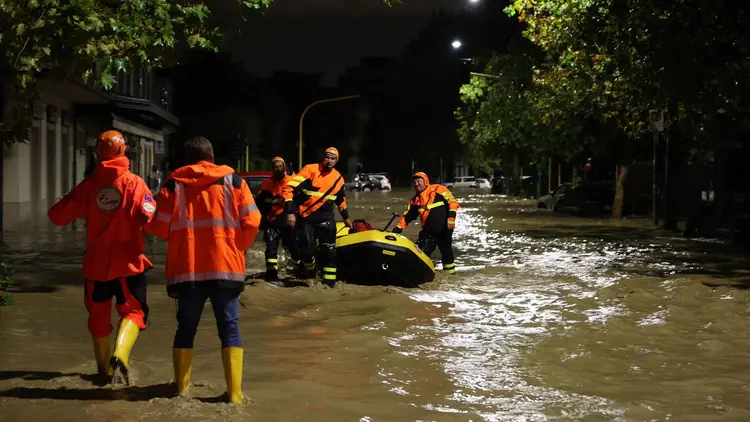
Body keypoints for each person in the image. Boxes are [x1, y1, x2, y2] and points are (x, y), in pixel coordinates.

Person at [146, 136, 260, 404]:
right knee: (230, 328)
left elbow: (160, 228)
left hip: (188, 271)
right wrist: (237, 247)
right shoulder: (235, 182)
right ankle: (234, 396)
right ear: (212, 157)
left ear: (187, 159)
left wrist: (144, 217)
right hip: (226, 268)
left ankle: (181, 392)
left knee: (186, 329)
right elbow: (253, 221)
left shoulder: (173, 186)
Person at [47, 129, 156, 385]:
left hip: (96, 268)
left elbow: (57, 216)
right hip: (129, 265)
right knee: (134, 311)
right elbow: (151, 220)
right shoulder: (135, 183)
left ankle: (104, 374)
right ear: (124, 150)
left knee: (98, 320)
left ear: (98, 152)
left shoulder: (88, 186)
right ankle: (121, 353)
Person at [282, 147, 352, 286]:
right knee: (307, 250)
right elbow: (289, 189)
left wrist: (346, 217)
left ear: (336, 161)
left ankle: (329, 282)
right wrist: (290, 212)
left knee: (330, 251)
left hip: (326, 219)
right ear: (323, 158)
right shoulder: (310, 170)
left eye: (333, 158)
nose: (329, 161)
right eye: (327, 157)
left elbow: (340, 200)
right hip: (307, 218)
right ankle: (309, 276)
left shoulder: (338, 179)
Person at [392, 172, 459, 274]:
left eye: (418, 181)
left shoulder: (438, 189)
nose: (416, 184)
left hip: (444, 228)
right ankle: (420, 274)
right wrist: (397, 228)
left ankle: (450, 274)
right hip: (428, 231)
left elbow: (453, 203)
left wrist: (451, 217)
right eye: (414, 182)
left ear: (426, 181)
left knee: (446, 252)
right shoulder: (415, 200)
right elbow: (408, 216)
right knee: (421, 252)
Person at [255, 156, 299, 281]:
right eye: (275, 166)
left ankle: (296, 270)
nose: (278, 168)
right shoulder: (267, 183)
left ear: (284, 167)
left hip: (287, 219)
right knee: (271, 247)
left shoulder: (292, 181)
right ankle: (271, 275)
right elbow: (260, 201)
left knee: (292, 247)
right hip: (272, 219)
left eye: (280, 166)